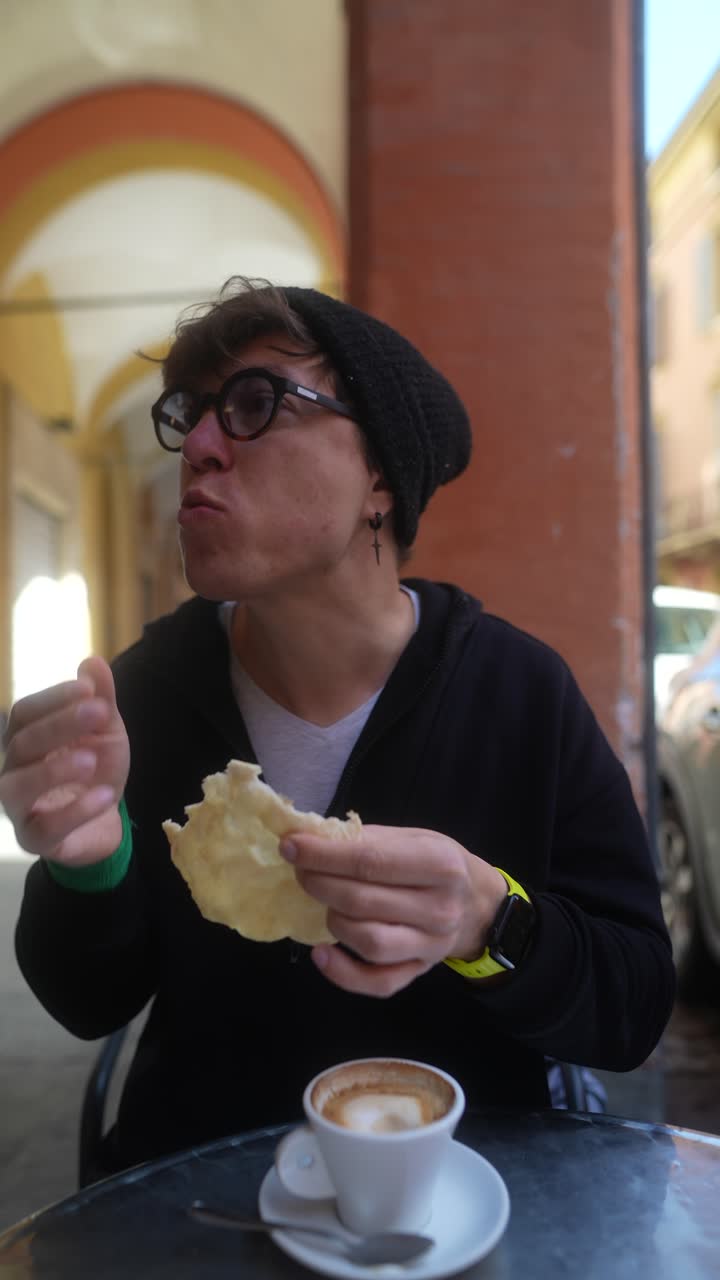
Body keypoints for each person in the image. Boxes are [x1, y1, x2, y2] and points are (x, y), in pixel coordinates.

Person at [2, 278, 674, 1176]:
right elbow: (88, 1000)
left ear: (381, 481)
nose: (198, 446)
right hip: (199, 1197)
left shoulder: (518, 691)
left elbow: (631, 1007)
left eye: (254, 405)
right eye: (190, 415)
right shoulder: (147, 692)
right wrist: (87, 867)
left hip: (464, 1198)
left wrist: (489, 925)